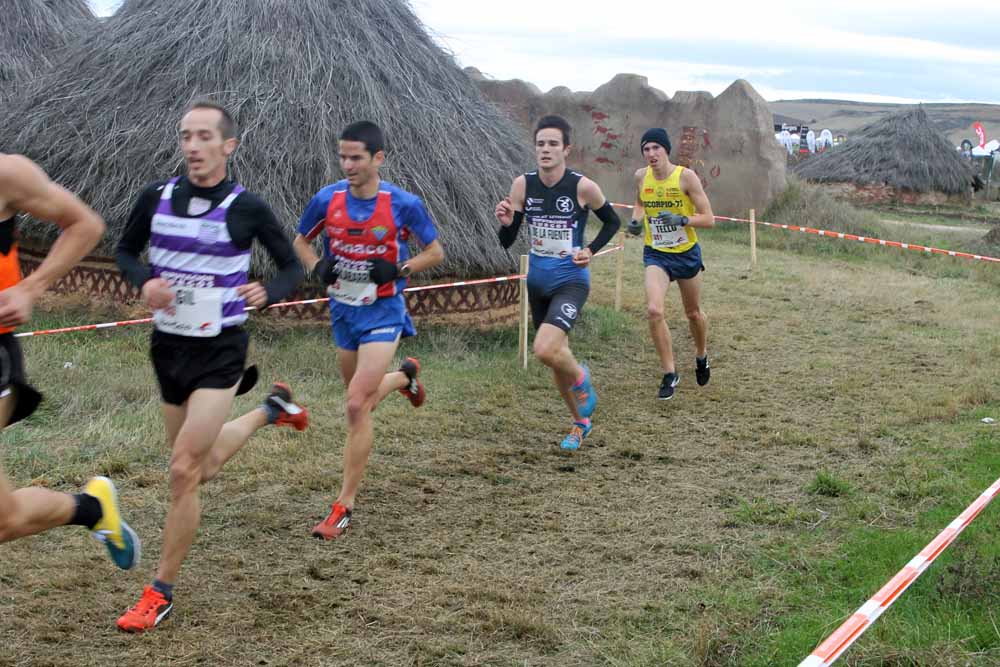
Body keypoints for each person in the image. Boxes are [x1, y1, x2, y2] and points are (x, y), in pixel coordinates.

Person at [114, 100, 307, 632]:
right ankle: (270, 411)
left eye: (204, 137)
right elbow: (126, 252)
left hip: (220, 350)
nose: (193, 146)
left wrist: (268, 290)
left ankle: (160, 591)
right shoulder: (154, 197)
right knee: (201, 467)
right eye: (185, 136)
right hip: (168, 349)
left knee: (181, 471)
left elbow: (293, 266)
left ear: (228, 146)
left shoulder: (247, 208)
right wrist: (143, 281)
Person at [293, 121, 444, 540]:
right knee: (358, 399)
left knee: (357, 405)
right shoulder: (328, 199)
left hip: (383, 312)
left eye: (356, 157)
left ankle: (343, 506)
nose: (348, 164)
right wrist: (315, 266)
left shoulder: (403, 203)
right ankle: (404, 378)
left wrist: (400, 268)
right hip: (343, 312)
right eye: (343, 156)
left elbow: (435, 252)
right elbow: (300, 242)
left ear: (378, 158)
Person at [0, 154, 139, 571]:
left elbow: (86, 225)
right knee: (5, 522)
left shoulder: (7, 174)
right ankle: (91, 508)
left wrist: (30, 288)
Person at [495, 115, 621, 450]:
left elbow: (612, 221)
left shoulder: (583, 186)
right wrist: (507, 222)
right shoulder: (523, 185)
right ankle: (580, 423)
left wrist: (591, 251)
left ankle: (582, 377)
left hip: (570, 281)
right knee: (555, 356)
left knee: (544, 349)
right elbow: (507, 240)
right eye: (540, 144)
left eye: (553, 144)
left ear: (566, 149)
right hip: (537, 282)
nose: (545, 150)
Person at [626, 128, 714, 400]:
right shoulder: (641, 177)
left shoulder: (686, 177)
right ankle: (669, 372)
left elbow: (709, 218)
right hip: (656, 253)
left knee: (693, 313)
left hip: (686, 252)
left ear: (666, 150)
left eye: (656, 148)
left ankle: (701, 356)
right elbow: (640, 203)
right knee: (654, 310)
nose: (651, 154)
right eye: (646, 149)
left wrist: (682, 220)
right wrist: (636, 220)